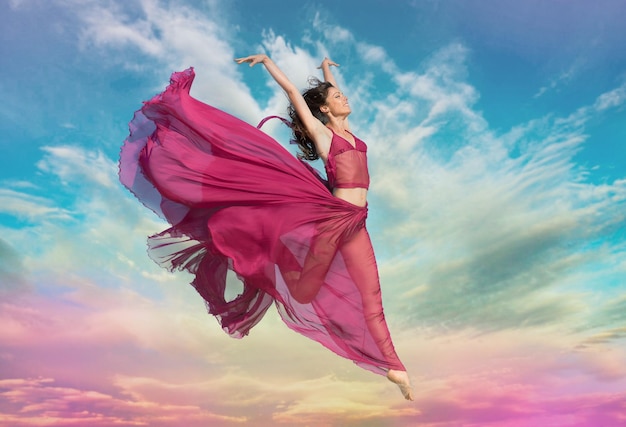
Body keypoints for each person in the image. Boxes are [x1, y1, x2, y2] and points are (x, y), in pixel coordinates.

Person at [119, 54, 413, 400]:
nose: (344, 99)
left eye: (340, 94)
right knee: (303, 293)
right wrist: (270, 62)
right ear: (323, 111)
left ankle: (394, 367)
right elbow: (292, 92)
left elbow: (333, 94)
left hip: (357, 224)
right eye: (336, 98)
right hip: (331, 222)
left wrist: (326, 71)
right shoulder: (323, 135)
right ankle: (264, 257)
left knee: (371, 296)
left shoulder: (350, 133)